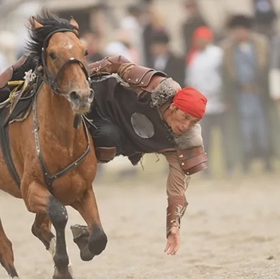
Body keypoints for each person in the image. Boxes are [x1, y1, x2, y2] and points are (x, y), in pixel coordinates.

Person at [0, 54, 208, 256]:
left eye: (193, 123)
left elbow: (177, 188)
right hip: (92, 102)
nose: (186, 126)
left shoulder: (183, 141)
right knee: (109, 136)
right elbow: (117, 63)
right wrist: (81, 77)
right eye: (185, 117)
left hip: (113, 136)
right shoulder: (154, 86)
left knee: (111, 137)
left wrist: (173, 226)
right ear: (173, 106)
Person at [222, 14, 273, 173]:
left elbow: (268, 71)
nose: (239, 34)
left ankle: (267, 160)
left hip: (259, 93)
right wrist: (227, 97)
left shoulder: (260, 46)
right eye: (236, 30)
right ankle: (246, 161)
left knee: (263, 127)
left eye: (242, 30)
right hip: (241, 95)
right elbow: (225, 76)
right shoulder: (229, 50)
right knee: (245, 129)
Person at [185, 26, 232, 177]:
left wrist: (226, 97)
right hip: (202, 106)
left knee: (225, 138)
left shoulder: (217, 54)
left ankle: (229, 166)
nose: (200, 42)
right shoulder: (193, 56)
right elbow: (191, 80)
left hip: (219, 102)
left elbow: (225, 77)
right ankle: (206, 169)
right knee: (204, 140)